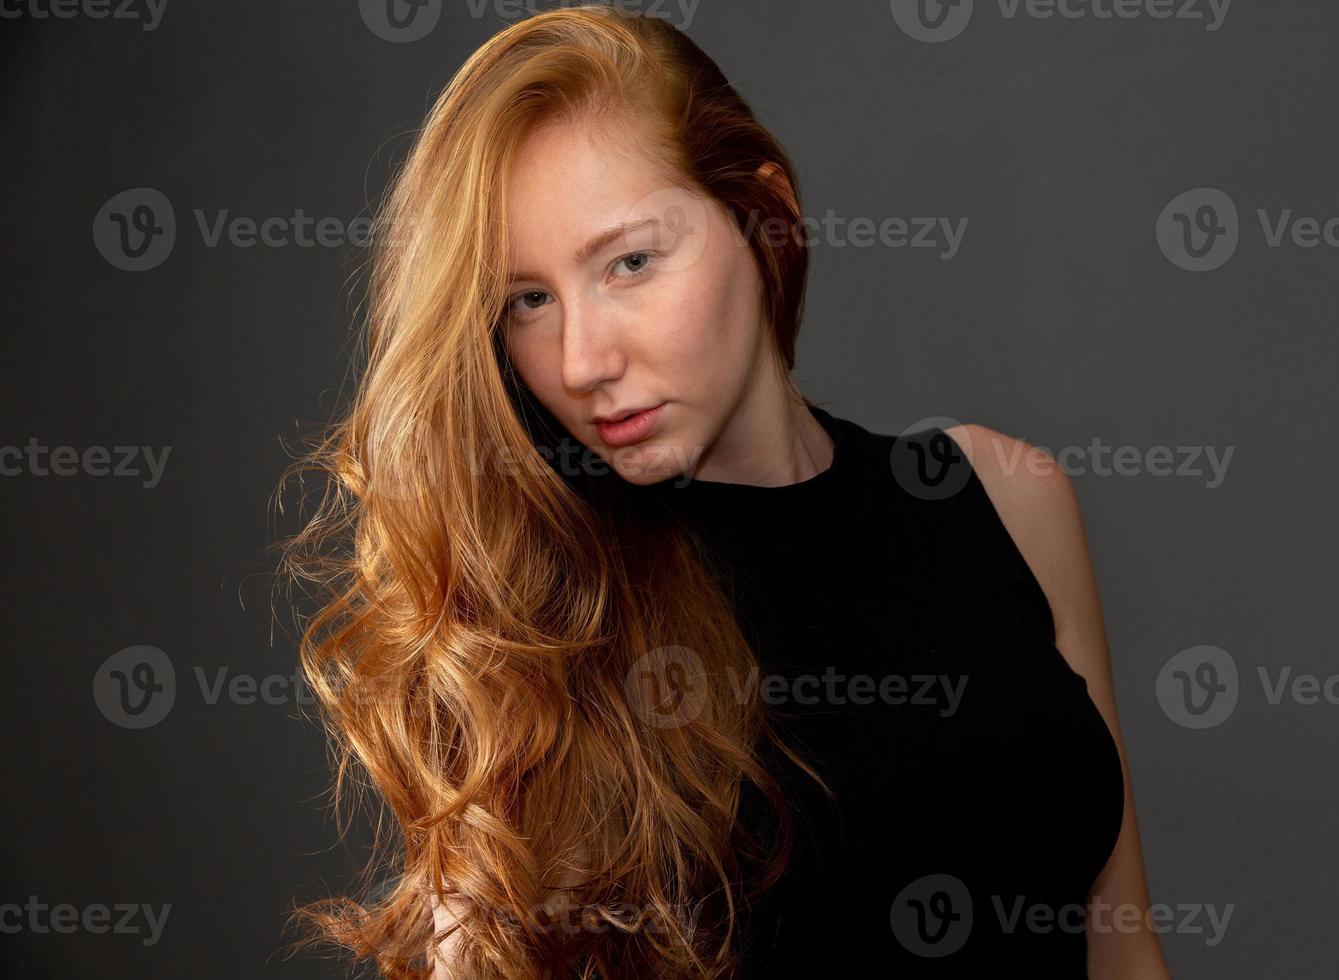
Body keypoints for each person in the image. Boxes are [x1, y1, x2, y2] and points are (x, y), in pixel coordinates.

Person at [279, 5, 1171, 978]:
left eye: (629, 261)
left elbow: (1121, 948)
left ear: (758, 211)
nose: (583, 359)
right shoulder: (536, 626)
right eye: (528, 299)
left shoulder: (1008, 500)